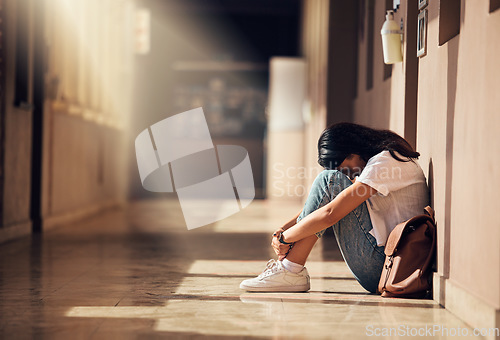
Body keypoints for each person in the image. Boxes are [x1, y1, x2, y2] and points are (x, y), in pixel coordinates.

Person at [240, 122, 429, 293]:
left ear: (353, 152)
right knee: (331, 180)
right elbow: (327, 204)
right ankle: (290, 270)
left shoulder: (386, 162)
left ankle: (290, 270)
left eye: (343, 167)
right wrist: (284, 229)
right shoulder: (385, 158)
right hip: (387, 265)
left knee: (330, 179)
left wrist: (286, 238)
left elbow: (330, 213)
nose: (345, 174)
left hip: (389, 268)